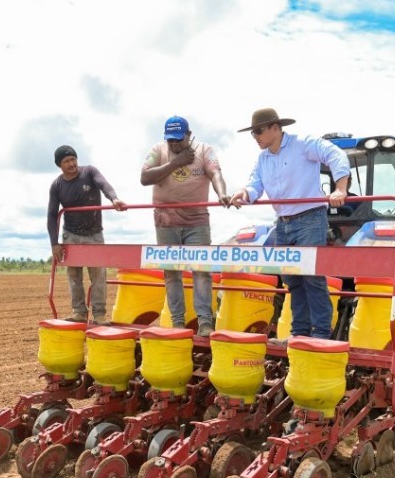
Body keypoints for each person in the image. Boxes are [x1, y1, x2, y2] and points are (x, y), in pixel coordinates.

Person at [229, 108, 351, 340]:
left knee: (311, 277)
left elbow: (336, 156)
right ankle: (300, 333)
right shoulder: (263, 158)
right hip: (283, 223)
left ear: (276, 128)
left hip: (310, 218)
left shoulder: (303, 144)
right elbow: (255, 185)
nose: (255, 136)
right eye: (252, 133)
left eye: (258, 131)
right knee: (291, 279)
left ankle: (321, 334)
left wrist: (340, 189)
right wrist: (243, 192)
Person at [141, 116, 230, 338]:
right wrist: (176, 162)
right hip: (165, 219)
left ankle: (205, 323)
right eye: (170, 141)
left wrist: (222, 194)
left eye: (178, 140)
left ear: (189, 135)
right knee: (171, 272)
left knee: (201, 270)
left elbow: (215, 173)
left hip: (196, 220)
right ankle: (178, 323)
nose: (174, 144)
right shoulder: (158, 150)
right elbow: (144, 177)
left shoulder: (203, 150)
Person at [47, 145, 127, 324]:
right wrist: (54, 243)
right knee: (74, 276)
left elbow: (104, 184)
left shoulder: (89, 172)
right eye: (66, 161)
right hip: (71, 235)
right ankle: (79, 313)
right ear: (60, 165)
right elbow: (52, 215)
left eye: (73, 159)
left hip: (94, 234)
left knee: (98, 275)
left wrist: (114, 198)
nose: (72, 163)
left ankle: (99, 315)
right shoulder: (57, 185)